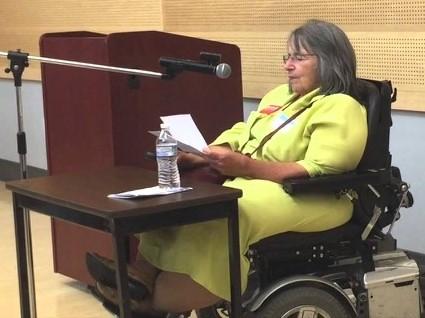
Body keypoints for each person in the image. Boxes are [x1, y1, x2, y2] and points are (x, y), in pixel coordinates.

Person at [87, 19, 368, 316]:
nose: (288, 66)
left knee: (224, 214)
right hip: (255, 183)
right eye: (287, 57)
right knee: (186, 201)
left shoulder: (340, 106)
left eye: (299, 58)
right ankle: (139, 276)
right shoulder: (279, 97)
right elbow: (243, 133)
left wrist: (246, 166)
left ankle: (145, 304)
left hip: (317, 197)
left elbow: (320, 168)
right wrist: (206, 155)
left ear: (329, 61)